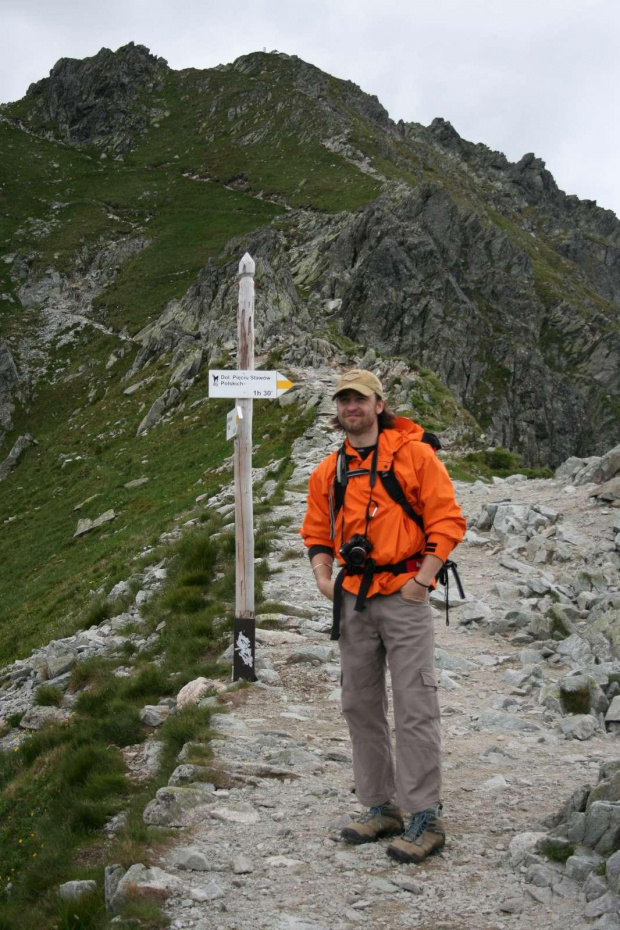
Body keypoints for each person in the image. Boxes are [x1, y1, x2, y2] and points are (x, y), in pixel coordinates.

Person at [300, 368, 466, 863]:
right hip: (353, 599)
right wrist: (321, 573)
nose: (351, 407)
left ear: (379, 403)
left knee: (416, 703)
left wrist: (422, 582)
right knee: (359, 704)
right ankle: (378, 805)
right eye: (343, 400)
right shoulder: (329, 470)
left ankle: (423, 817)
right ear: (337, 409)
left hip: (404, 595)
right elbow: (315, 530)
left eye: (360, 399)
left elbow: (448, 519)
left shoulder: (414, 455)